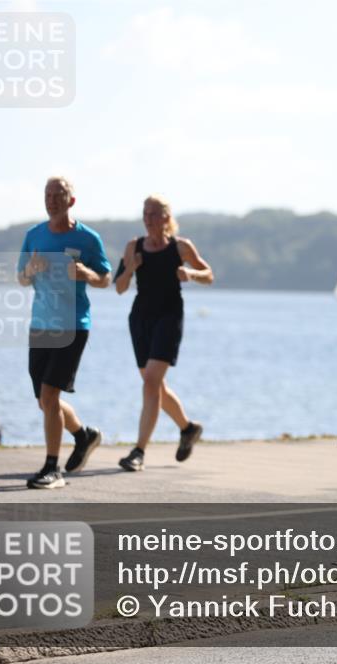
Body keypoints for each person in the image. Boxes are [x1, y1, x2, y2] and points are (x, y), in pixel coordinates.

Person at [17, 176, 111, 489]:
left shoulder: (88, 238)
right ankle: (84, 435)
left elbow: (105, 279)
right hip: (40, 325)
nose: (52, 199)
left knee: (50, 394)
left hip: (73, 325)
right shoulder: (34, 235)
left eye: (59, 194)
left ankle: (51, 469)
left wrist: (87, 274)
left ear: (71, 201)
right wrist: (31, 270)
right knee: (46, 403)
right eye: (48, 194)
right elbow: (21, 278)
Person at [114, 194, 213, 471]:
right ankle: (187, 428)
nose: (148, 219)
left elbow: (209, 275)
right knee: (152, 383)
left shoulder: (181, 248)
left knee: (151, 382)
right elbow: (120, 287)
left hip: (169, 317)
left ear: (166, 218)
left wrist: (191, 275)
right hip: (141, 318)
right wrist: (130, 268)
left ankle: (138, 451)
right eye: (145, 214)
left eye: (154, 214)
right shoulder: (133, 246)